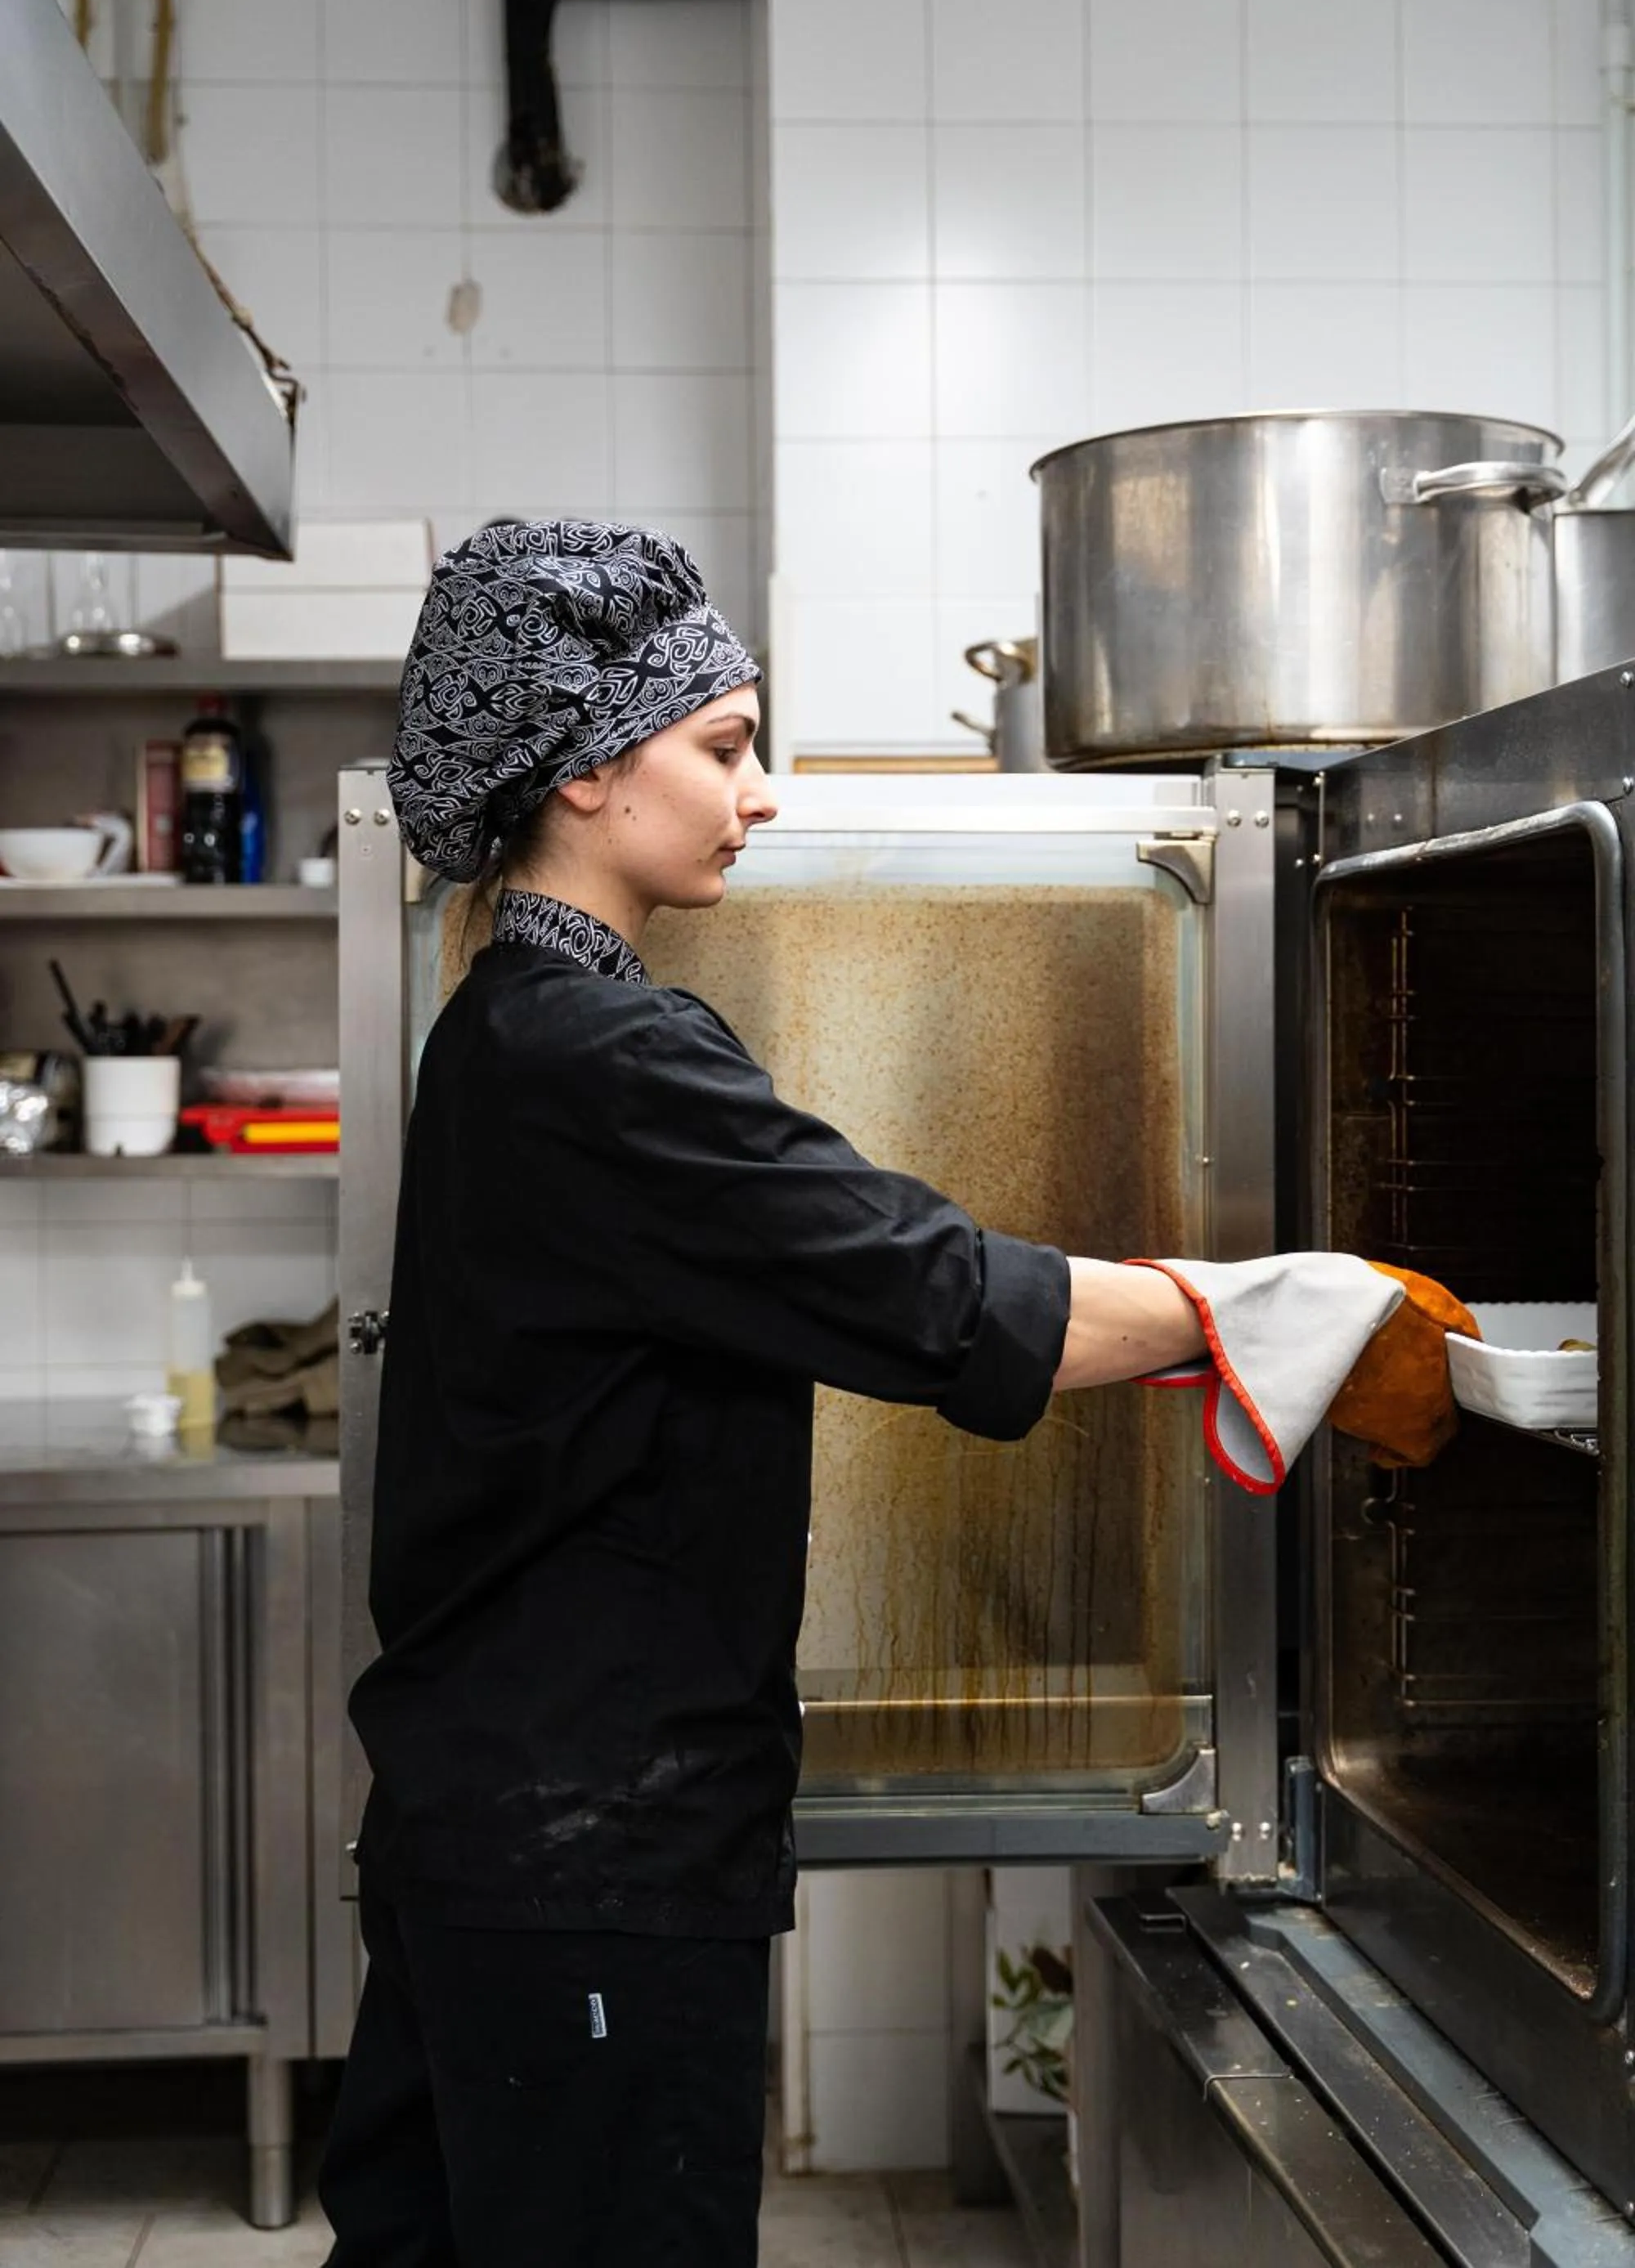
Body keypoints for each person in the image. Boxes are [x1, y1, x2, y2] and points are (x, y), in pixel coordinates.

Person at [318, 518, 1449, 2267]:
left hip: (495, 1828)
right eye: (723, 747)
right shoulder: (596, 1055)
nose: (760, 795)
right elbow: (934, 1292)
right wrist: (1284, 1309)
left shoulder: (509, 1024)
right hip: (585, 1860)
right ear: (588, 773)